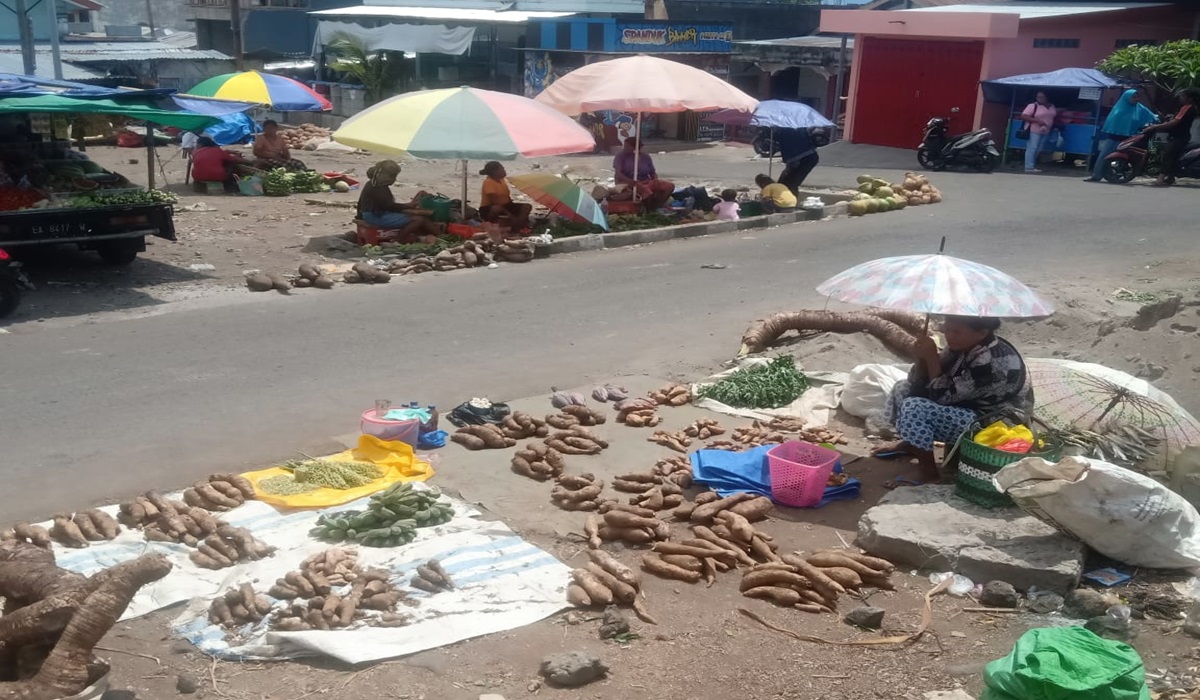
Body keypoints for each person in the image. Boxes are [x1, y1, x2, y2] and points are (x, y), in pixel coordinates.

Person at [872, 316, 1033, 488]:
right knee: (902, 388)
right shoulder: (964, 346)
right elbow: (919, 381)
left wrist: (932, 358)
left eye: (956, 332)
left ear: (982, 333)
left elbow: (942, 396)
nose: (949, 336)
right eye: (947, 330)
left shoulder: (993, 361)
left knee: (915, 407)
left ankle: (929, 472)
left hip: (993, 421)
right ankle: (912, 444)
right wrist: (922, 359)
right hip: (966, 403)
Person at [356, 159, 442, 242]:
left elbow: (362, 203)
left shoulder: (372, 183)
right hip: (375, 217)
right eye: (392, 176)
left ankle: (433, 235)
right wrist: (408, 206)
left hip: (372, 214)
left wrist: (408, 206)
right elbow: (389, 206)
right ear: (384, 175)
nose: (394, 179)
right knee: (418, 219)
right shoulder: (379, 188)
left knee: (416, 210)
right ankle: (399, 240)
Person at [1085, 89, 1157, 183]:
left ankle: (1117, 174)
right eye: (1133, 97)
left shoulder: (1140, 108)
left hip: (1130, 138)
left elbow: (1153, 117)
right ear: (1127, 98)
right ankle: (1096, 175)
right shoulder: (1119, 109)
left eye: (1137, 97)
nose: (1136, 99)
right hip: (1114, 137)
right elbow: (1113, 123)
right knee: (1104, 156)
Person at [1144, 88, 1198, 187]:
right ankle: (1170, 178)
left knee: (1169, 156)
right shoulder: (1189, 108)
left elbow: (1175, 123)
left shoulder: (1187, 107)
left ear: (1189, 98)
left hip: (1180, 137)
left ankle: (1160, 179)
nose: (1180, 98)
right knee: (1174, 156)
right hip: (1181, 136)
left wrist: (1155, 127)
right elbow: (1177, 119)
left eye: (1183, 96)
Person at [613, 138, 675, 212]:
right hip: (627, 182)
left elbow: (652, 172)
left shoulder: (646, 157)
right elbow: (618, 173)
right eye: (624, 146)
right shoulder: (620, 157)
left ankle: (657, 206)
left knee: (669, 186)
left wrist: (655, 179)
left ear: (634, 147)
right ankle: (649, 210)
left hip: (645, 180)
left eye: (627, 146)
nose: (624, 148)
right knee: (646, 191)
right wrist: (629, 181)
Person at [478, 161, 532, 232]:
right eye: (502, 169)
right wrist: (510, 215)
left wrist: (513, 207)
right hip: (489, 209)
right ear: (495, 172)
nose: (504, 171)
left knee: (527, 206)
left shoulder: (501, 181)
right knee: (497, 208)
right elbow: (495, 202)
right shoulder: (489, 182)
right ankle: (515, 225)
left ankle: (518, 224)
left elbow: (507, 197)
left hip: (505, 205)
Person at [190, 136, 257, 191]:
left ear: (201, 144)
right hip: (218, 176)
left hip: (198, 176)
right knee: (231, 164)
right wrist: (250, 162)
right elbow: (234, 159)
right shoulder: (217, 151)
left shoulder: (195, 152)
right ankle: (230, 183)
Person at [1018, 91, 1056, 173]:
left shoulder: (1051, 106)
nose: (1040, 99)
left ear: (1047, 97)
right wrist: (1037, 121)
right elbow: (1024, 116)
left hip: (1046, 130)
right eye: (1038, 97)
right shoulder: (1033, 106)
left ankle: (1032, 164)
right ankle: (1028, 166)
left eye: (1042, 97)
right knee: (1032, 147)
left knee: (1039, 148)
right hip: (1034, 129)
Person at [775, 127, 819, 194]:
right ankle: (788, 200)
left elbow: (790, 147)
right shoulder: (793, 126)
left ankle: (789, 201)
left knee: (790, 183)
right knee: (787, 183)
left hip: (803, 158)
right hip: (807, 155)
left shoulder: (785, 130)